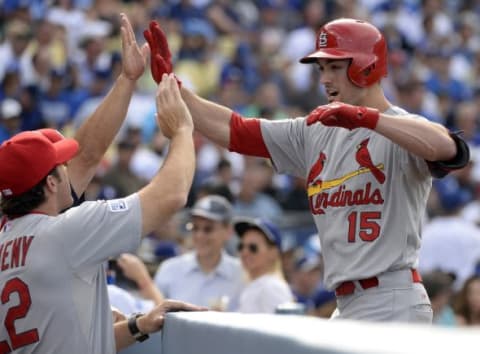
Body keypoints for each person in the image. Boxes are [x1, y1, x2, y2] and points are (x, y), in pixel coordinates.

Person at [143, 17, 470, 323]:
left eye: (335, 66)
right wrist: (176, 88)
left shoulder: (402, 127)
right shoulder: (317, 128)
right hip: (345, 303)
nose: (325, 78)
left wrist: (365, 118)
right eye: (322, 68)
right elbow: (237, 131)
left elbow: (450, 149)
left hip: (392, 297)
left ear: (365, 67)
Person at [0, 65, 199, 354]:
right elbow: (171, 195)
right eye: (61, 166)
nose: (68, 167)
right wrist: (183, 130)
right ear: (51, 184)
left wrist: (137, 326)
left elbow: (69, 339)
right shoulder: (65, 232)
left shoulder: (6, 238)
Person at [154, 194, 243, 310]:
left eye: (208, 229)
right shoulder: (170, 269)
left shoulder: (242, 275)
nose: (199, 235)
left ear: (228, 231)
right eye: (195, 228)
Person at [233, 217, 294, 314]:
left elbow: (282, 327)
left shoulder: (272, 287)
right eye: (241, 246)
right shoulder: (256, 285)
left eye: (253, 248)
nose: (244, 252)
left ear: (273, 253)